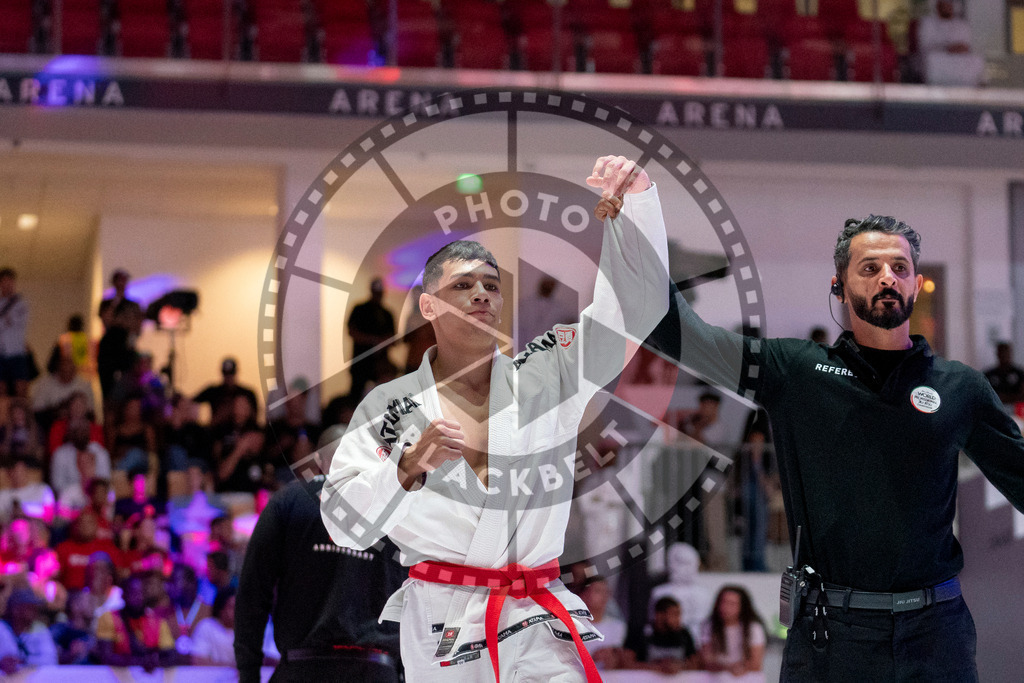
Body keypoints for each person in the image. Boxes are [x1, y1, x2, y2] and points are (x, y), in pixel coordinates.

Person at [320, 155, 669, 682]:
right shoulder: (389, 407)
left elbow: (633, 315)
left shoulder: (550, 374)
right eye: (462, 286)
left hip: (535, 616)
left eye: (491, 284)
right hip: (441, 623)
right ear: (428, 307)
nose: (481, 293)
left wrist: (634, 209)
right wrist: (405, 469)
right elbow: (341, 524)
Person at [648, 213, 1024, 680]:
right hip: (830, 636)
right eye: (869, 268)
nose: (887, 277)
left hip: (937, 635)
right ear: (839, 287)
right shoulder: (795, 372)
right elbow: (679, 335)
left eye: (900, 268)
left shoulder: (960, 388)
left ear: (915, 284)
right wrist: (637, 217)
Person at [235, 473, 405, 682]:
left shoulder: (290, 499)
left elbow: (252, 594)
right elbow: (417, 601)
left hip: (301, 669)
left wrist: (248, 673)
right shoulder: (400, 508)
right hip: (376, 668)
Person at [347, 277, 398, 401]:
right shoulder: (360, 310)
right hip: (361, 365)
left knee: (383, 401)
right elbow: (352, 332)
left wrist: (380, 342)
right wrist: (374, 341)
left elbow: (393, 339)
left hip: (380, 368)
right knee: (357, 399)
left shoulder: (387, 314)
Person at [699, 585, 766, 676]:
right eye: (723, 602)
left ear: (742, 607)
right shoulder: (709, 626)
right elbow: (706, 659)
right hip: (717, 677)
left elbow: (755, 662)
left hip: (745, 677)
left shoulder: (753, 628)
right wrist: (727, 667)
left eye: (732, 604)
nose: (725, 608)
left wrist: (740, 667)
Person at [97, 269, 143, 400]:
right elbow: (106, 319)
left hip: (126, 349)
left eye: (124, 280)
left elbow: (137, 327)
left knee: (129, 387)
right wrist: (116, 302)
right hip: (109, 349)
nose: (122, 283)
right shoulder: (107, 303)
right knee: (107, 390)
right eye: (119, 280)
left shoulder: (134, 305)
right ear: (114, 282)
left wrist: (119, 322)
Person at [915, 0, 984, 86]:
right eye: (944, 5)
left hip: (959, 57)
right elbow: (925, 45)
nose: (947, 8)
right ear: (938, 6)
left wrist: (957, 48)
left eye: (949, 5)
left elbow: (965, 46)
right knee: (933, 60)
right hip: (938, 56)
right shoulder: (928, 23)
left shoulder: (961, 24)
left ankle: (969, 85)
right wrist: (947, 48)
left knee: (977, 60)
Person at [579, 576, 632, 671]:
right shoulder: (573, 626)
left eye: (606, 592)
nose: (604, 596)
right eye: (598, 591)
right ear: (584, 595)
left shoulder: (618, 626)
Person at [0, 587, 59, 672]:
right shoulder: (2, 628)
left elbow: (51, 659)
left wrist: (24, 661)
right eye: (29, 608)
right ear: (15, 610)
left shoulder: (40, 629)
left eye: (35, 608)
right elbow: (7, 657)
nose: (35, 612)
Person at [194, 357, 259, 428]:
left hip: (242, 431)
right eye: (226, 374)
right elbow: (191, 403)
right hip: (218, 431)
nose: (228, 377)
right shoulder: (213, 391)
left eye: (231, 374)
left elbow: (255, 417)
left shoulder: (247, 393)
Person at [640, 596, 698, 674]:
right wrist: (657, 667)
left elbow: (695, 663)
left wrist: (679, 666)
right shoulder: (644, 633)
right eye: (675, 614)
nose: (678, 619)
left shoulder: (684, 634)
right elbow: (628, 663)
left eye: (679, 614)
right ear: (660, 615)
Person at [0, 267, 30, 399]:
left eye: (9, 282)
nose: (7, 285)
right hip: (1, 352)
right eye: (4, 282)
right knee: (2, 390)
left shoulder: (21, 304)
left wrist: (7, 321)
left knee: (21, 389)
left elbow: (19, 321)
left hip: (17, 352)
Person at [191, 586, 237, 665]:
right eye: (232, 607)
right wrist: (230, 667)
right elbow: (198, 660)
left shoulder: (248, 631)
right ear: (221, 609)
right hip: (211, 673)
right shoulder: (207, 627)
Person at [983, 341, 1024, 406]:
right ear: (997, 354)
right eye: (1001, 352)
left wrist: (1007, 398)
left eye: (1006, 352)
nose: (1004, 355)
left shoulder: (1019, 373)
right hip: (995, 408)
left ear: (1010, 354)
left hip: (1015, 407)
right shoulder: (989, 375)